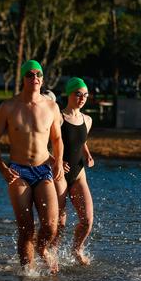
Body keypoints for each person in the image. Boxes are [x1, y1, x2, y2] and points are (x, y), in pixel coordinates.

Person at [0, 60, 64, 274]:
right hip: (18, 171)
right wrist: (2, 168)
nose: (35, 78)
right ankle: (27, 274)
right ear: (23, 78)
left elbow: (57, 140)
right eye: (30, 74)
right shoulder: (8, 107)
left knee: (51, 226)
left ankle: (43, 250)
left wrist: (57, 161)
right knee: (26, 227)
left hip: (42, 170)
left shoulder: (51, 107)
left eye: (38, 74)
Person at [52, 77, 94, 265]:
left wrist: (88, 154)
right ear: (69, 94)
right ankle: (50, 251)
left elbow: (81, 140)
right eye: (78, 94)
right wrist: (56, 161)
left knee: (87, 220)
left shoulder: (87, 119)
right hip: (59, 174)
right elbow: (43, 144)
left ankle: (76, 249)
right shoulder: (58, 117)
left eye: (85, 95)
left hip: (79, 173)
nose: (82, 98)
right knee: (59, 223)